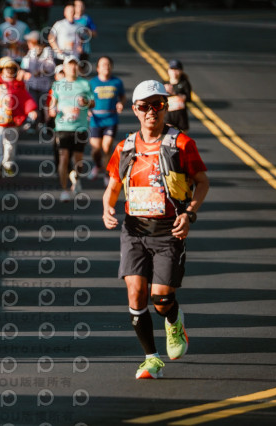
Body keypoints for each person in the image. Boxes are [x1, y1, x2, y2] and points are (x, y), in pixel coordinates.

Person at [102, 80, 209, 379]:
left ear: (165, 107)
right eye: (145, 106)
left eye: (158, 105)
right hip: (134, 230)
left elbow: (202, 182)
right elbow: (113, 187)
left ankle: (174, 321)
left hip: (168, 231)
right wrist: (107, 208)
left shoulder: (182, 144)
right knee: (136, 293)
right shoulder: (124, 147)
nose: (152, 111)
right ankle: (151, 358)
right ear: (135, 110)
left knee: (161, 299)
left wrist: (189, 213)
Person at [0, 56, 38, 177]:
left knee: (10, 146)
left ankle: (7, 165)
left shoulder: (19, 84)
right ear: (1, 70)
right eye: (7, 68)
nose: (9, 70)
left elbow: (25, 99)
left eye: (12, 68)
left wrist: (31, 110)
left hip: (13, 121)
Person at [48, 55, 94, 202]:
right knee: (63, 158)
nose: (72, 67)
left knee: (78, 159)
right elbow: (52, 105)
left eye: (75, 65)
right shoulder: (58, 85)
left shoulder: (84, 84)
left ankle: (77, 179)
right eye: (69, 65)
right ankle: (64, 189)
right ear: (65, 67)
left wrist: (85, 101)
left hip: (80, 127)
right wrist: (55, 110)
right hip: (62, 127)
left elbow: (93, 103)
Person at [88, 56, 125, 187]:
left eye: (108, 64)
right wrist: (87, 109)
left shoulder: (117, 82)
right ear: (98, 68)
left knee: (107, 146)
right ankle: (98, 165)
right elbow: (87, 99)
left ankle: (106, 173)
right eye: (103, 64)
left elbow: (122, 97)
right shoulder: (92, 83)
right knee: (95, 150)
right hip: (96, 119)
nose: (106, 67)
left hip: (111, 118)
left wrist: (120, 103)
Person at [20, 30, 56, 131]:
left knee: (43, 104)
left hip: (43, 85)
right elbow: (25, 66)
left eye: (29, 41)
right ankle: (33, 124)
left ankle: (44, 124)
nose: (27, 43)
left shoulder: (47, 51)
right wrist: (23, 72)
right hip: (32, 84)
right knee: (33, 104)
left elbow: (51, 67)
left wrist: (40, 71)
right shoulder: (30, 52)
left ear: (34, 41)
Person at [164, 59, 192, 132]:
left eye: (176, 69)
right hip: (168, 117)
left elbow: (188, 98)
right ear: (168, 71)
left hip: (181, 117)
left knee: (182, 137)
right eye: (172, 69)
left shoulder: (184, 83)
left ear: (181, 71)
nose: (174, 72)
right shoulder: (164, 84)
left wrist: (174, 93)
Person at [73, 0, 97, 72]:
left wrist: (86, 31)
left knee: (82, 70)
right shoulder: (70, 19)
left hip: (84, 49)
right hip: (72, 49)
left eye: (81, 6)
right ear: (74, 7)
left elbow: (94, 34)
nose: (80, 8)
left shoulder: (87, 19)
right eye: (78, 6)